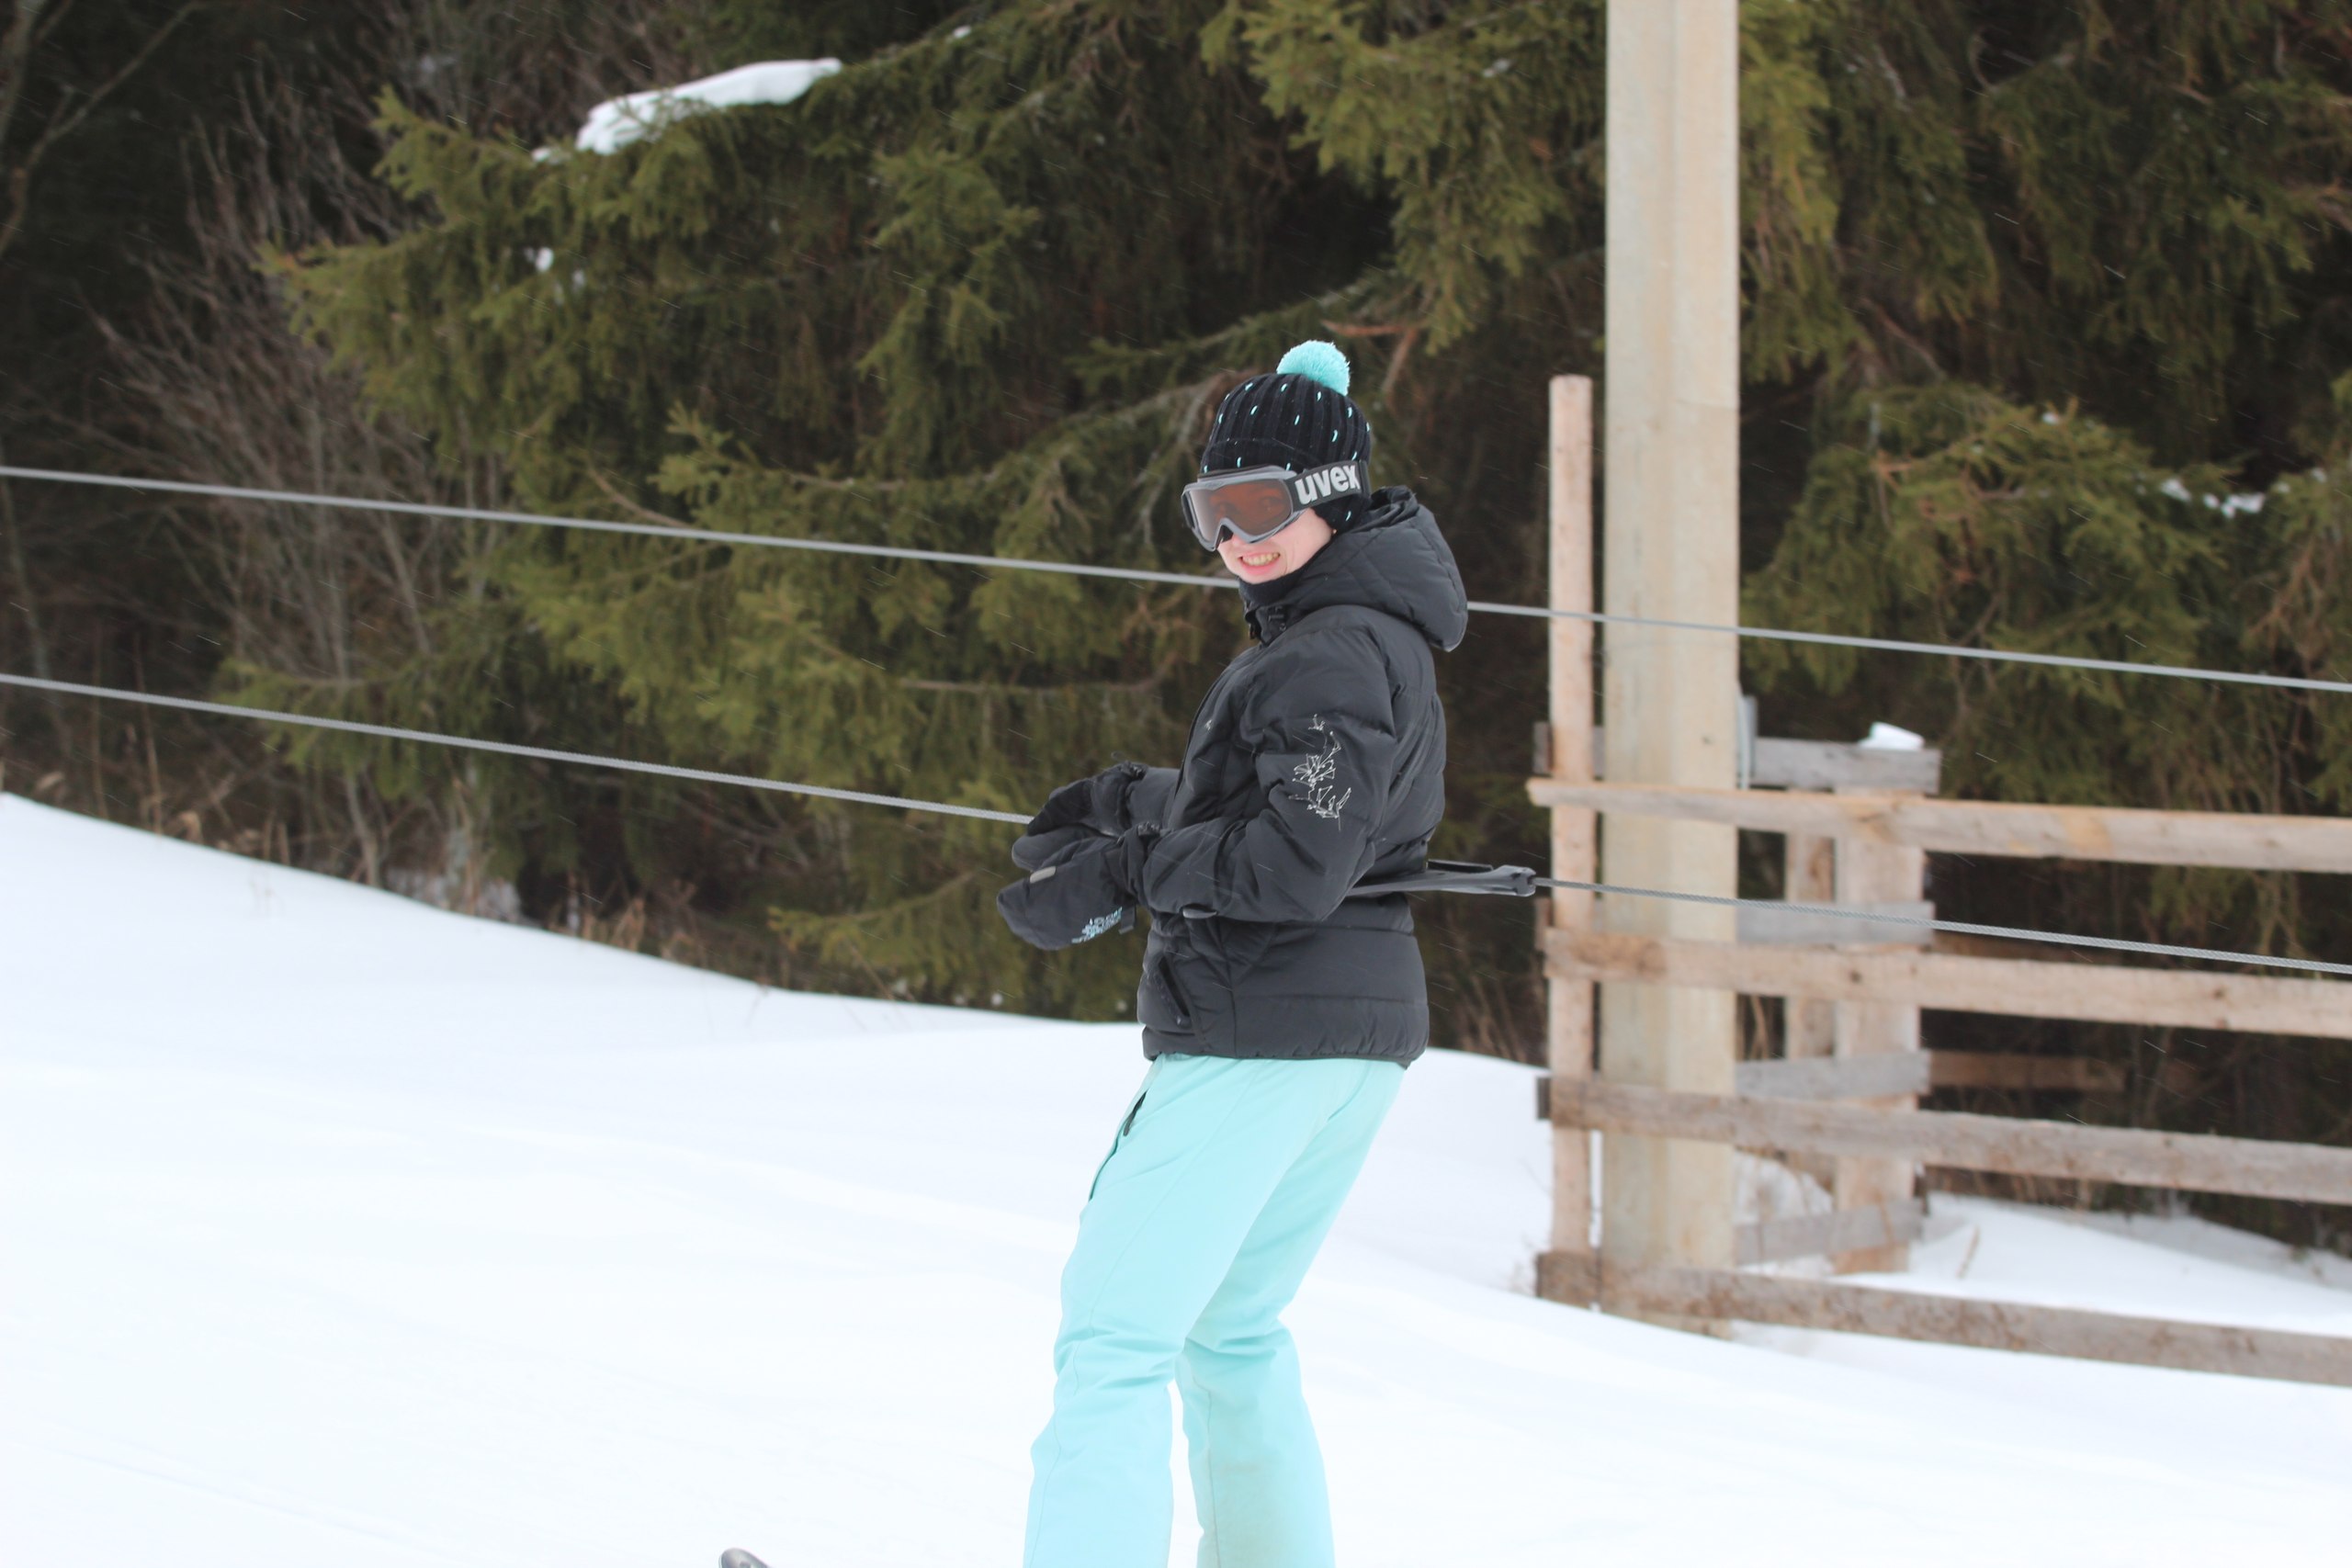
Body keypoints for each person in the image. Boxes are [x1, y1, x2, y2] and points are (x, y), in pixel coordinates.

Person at [996, 339, 1467, 1568]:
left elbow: (1294, 866)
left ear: (1329, 495)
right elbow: (1304, 816)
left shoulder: (1329, 649)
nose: (1234, 540)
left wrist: (1125, 873)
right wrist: (1132, 799)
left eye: (1260, 506)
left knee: (1115, 1337)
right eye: (1212, 511)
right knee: (1229, 1329)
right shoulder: (1359, 638)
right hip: (1341, 1040)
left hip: (1263, 1035)